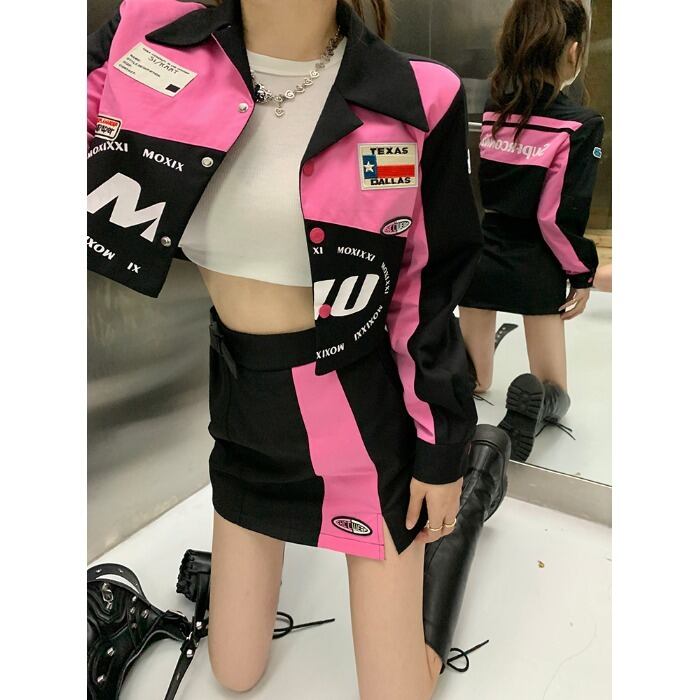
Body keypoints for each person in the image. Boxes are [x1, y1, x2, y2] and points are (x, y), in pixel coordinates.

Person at [87, 1, 510, 697]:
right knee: (235, 672)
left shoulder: (417, 96)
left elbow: (424, 296)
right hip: (242, 417)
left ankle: (461, 517)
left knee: (396, 690)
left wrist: (443, 452)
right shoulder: (147, 35)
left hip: (362, 425)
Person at [458, 0, 605, 462]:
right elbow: (554, 217)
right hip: (536, 267)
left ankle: (461, 378)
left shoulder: (494, 112)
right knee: (552, 387)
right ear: (574, 52)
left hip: (482, 257)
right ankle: (540, 405)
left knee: (477, 378)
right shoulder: (579, 124)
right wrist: (581, 273)